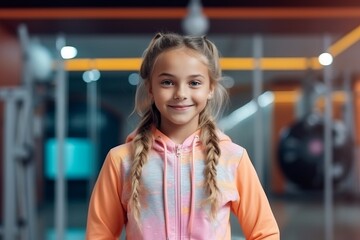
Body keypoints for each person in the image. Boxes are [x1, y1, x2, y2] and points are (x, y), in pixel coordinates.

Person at [86, 32, 280, 240]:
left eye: (194, 83)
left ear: (210, 89)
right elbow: (99, 235)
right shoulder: (121, 160)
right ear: (150, 88)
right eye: (167, 82)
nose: (181, 93)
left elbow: (265, 233)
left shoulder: (234, 158)